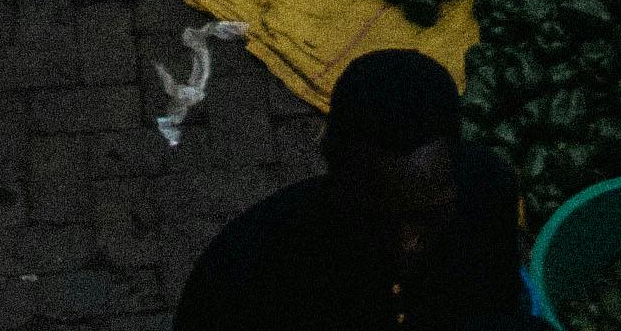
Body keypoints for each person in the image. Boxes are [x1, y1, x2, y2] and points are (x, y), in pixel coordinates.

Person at [172, 46, 533, 331]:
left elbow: (495, 304)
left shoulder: (486, 194)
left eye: (427, 217)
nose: (407, 243)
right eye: (380, 219)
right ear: (336, 173)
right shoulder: (243, 283)